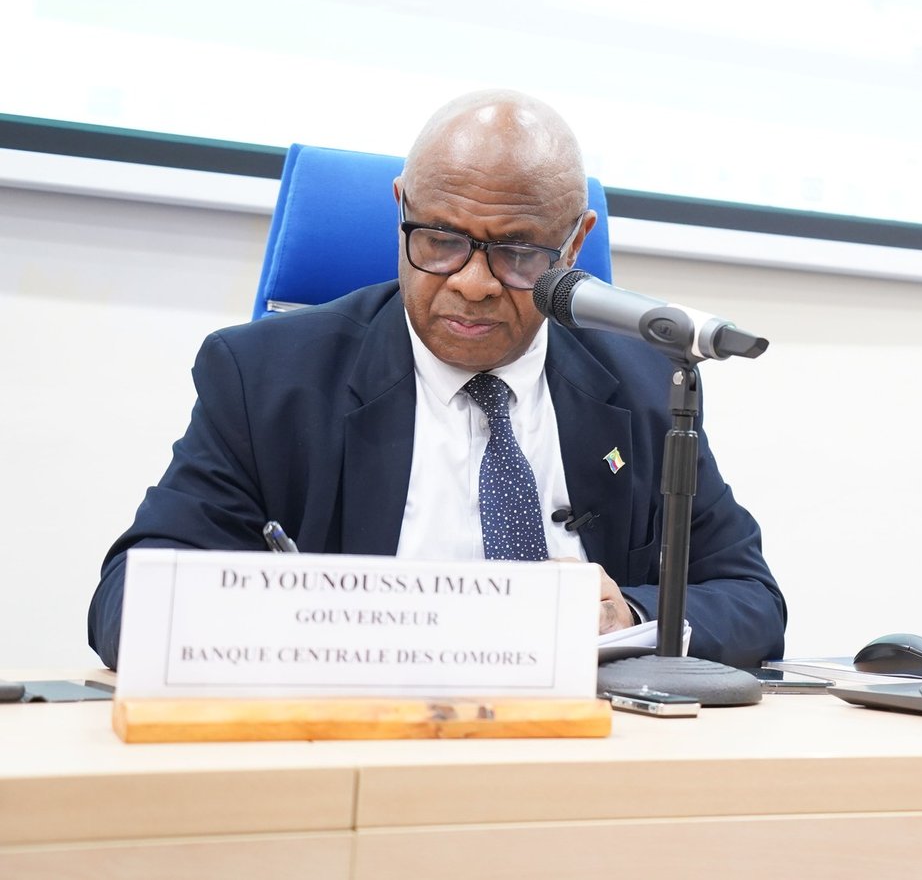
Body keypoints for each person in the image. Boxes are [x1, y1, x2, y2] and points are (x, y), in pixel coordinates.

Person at [88, 89, 786, 669]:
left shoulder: (644, 384)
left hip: (584, 746)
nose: (474, 283)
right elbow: (129, 604)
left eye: (518, 253)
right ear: (401, 209)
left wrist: (629, 614)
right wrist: (314, 619)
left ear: (574, 243)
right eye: (442, 241)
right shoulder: (268, 379)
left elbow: (750, 598)